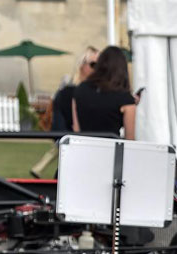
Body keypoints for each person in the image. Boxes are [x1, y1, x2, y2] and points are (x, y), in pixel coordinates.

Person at [31, 47, 98, 177]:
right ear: (82, 66)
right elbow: (59, 127)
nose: (99, 69)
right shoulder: (67, 93)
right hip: (75, 154)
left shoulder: (104, 93)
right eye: (93, 64)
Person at [72, 46, 136, 140]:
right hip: (112, 150)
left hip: (85, 149)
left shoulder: (80, 89)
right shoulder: (125, 98)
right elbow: (130, 139)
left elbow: (76, 129)